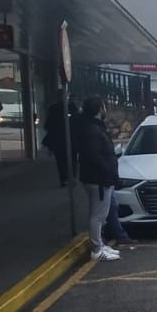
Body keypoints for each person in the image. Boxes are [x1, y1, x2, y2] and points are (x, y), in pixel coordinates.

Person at [73, 96, 120, 262]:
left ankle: (100, 244)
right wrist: (108, 171)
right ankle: (97, 249)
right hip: (98, 179)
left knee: (101, 213)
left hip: (99, 178)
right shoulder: (92, 129)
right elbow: (94, 156)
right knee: (98, 215)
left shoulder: (92, 127)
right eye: (103, 107)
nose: (105, 109)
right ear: (99, 109)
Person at [42, 96, 74, 186]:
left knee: (60, 160)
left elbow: (48, 124)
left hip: (58, 139)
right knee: (70, 159)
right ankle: (70, 177)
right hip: (69, 138)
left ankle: (64, 179)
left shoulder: (53, 108)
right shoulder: (71, 107)